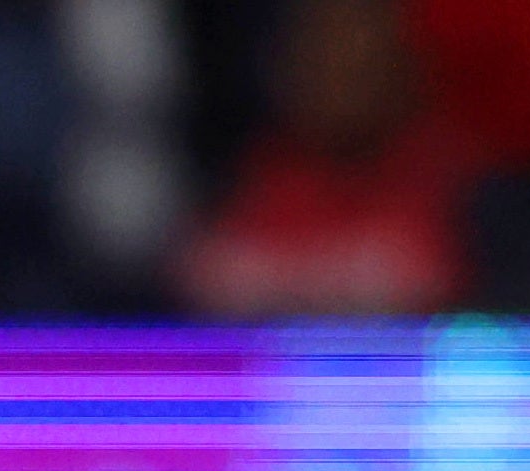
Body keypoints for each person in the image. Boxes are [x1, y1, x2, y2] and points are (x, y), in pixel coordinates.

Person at [176, 0, 475, 316]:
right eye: (322, 55)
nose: (340, 70)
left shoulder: (463, 194)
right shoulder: (232, 187)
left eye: (360, 56)